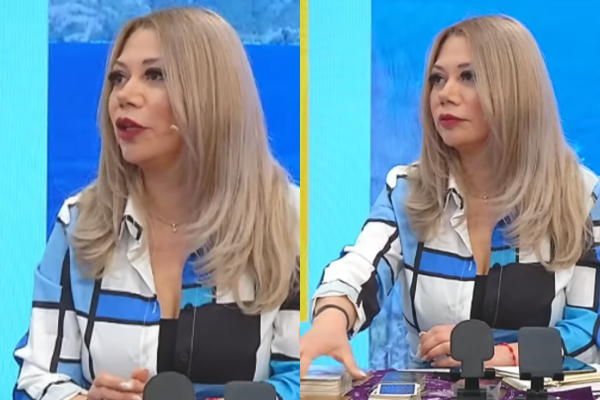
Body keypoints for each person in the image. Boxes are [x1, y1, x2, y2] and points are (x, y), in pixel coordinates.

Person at [13, 6, 299, 400]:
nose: (124, 96)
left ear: (212, 93)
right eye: (118, 78)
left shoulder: (287, 221)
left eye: (155, 75)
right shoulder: (79, 223)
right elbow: (35, 380)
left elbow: (307, 379)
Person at [300, 14, 600, 379]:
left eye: (468, 76)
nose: (445, 94)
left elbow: (589, 332)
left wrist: (499, 355)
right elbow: (361, 268)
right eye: (437, 79)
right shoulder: (408, 190)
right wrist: (332, 318)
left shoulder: (582, 198)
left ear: (516, 89)